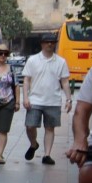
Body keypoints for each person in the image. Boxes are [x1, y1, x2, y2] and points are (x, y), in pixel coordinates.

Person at [22, 33, 72, 164]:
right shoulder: (33, 60)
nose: (50, 44)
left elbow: (65, 81)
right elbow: (26, 80)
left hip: (53, 100)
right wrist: (25, 97)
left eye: (52, 42)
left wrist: (68, 99)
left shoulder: (61, 61)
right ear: (42, 44)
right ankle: (33, 144)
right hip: (35, 99)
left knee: (50, 128)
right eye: (47, 42)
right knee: (30, 126)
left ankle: (47, 155)